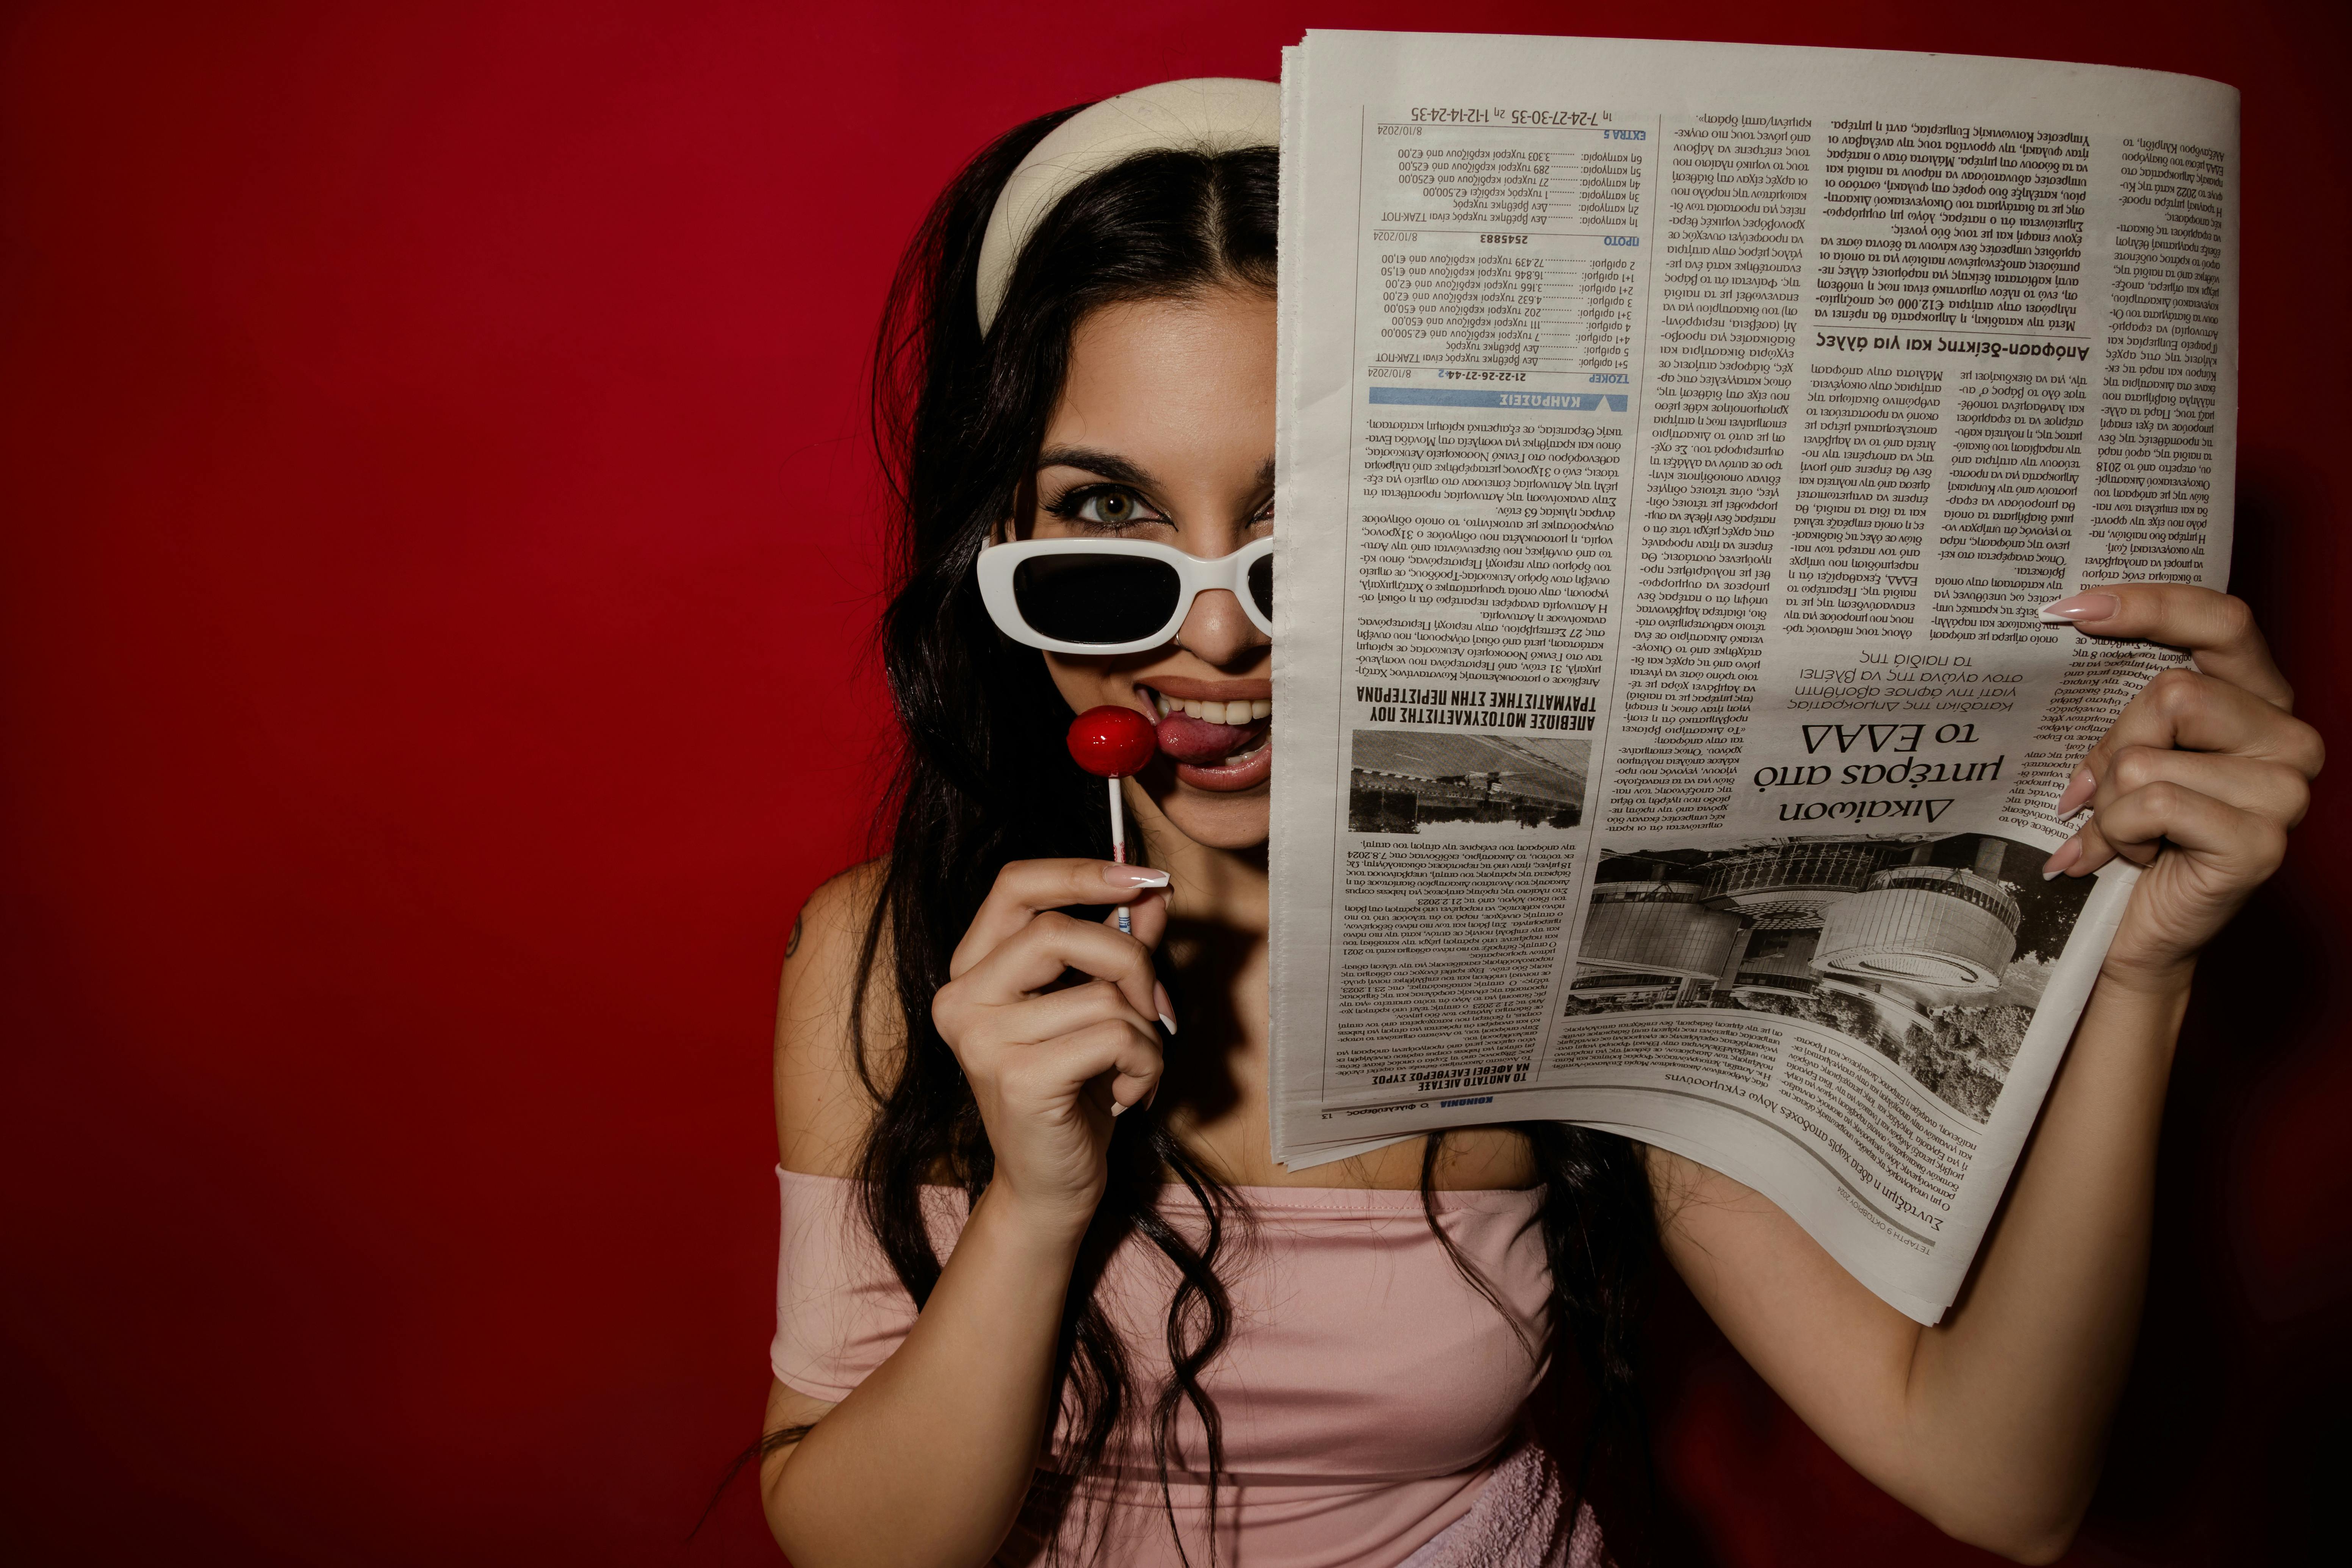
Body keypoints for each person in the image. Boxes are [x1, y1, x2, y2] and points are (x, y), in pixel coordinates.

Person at [752, 79, 2321, 1568]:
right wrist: (1036, 1206)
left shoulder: (1575, 933)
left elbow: (2004, 1480)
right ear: (1001, 544)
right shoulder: (890, 955)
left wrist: (2139, 975)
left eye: (1322, 526)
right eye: (1108, 518)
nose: (1214, 642)